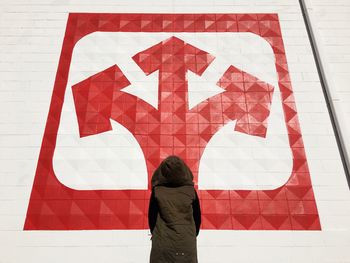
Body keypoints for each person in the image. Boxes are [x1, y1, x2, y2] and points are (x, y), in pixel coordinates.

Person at [148, 155, 201, 263]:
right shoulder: (191, 191)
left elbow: (152, 217)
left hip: (163, 241)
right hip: (186, 241)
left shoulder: (157, 191)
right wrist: (190, 234)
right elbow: (197, 217)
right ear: (184, 171)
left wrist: (156, 233)